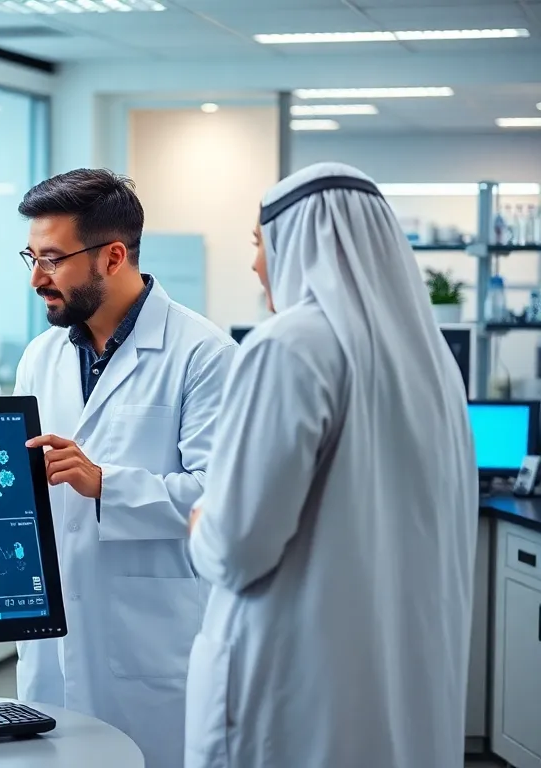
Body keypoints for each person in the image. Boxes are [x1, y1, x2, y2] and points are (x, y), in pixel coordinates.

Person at [184, 163, 476, 768]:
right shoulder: (432, 362)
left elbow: (238, 549)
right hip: (391, 684)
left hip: (295, 685)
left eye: (259, 244)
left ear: (298, 240)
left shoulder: (289, 345)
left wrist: (200, 521)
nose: (257, 265)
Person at [12, 169, 234, 768]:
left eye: (53, 259)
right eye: (32, 256)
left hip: (152, 645)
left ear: (113, 256)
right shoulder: (41, 356)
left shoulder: (204, 354)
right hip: (53, 641)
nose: (37, 278)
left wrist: (106, 483)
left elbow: (223, 500)